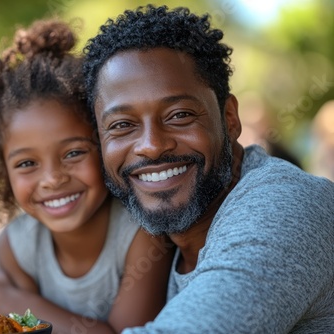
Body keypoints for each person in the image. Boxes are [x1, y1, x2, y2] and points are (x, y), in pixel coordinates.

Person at [83, 5, 334, 333]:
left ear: (230, 118)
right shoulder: (159, 233)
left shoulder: (289, 205)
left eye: (179, 115)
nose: (152, 145)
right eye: (122, 124)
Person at [0, 19, 172, 334]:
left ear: (103, 143)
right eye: (27, 163)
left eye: (73, 153)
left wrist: (4, 299)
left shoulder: (141, 236)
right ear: (3, 171)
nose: (53, 179)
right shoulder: (18, 246)